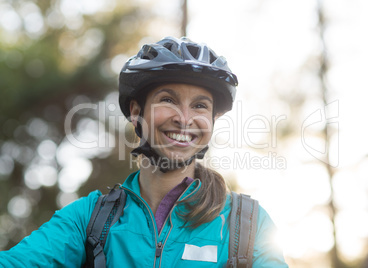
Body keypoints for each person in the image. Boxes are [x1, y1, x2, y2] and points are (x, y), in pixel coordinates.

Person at [0, 37, 288, 267]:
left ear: (212, 121)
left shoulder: (246, 224)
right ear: (137, 113)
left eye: (200, 106)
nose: (185, 118)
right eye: (168, 100)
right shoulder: (90, 219)